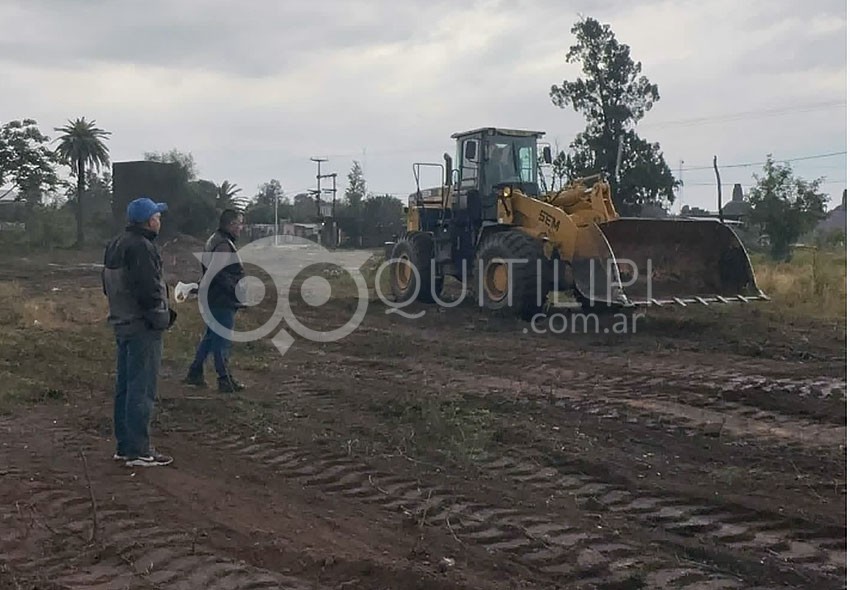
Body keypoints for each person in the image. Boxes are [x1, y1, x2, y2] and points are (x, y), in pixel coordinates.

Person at [102, 196, 177, 468]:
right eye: (157, 215)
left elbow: (108, 286)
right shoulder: (142, 247)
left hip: (122, 322)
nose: (160, 219)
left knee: (125, 386)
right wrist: (162, 317)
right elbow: (149, 290)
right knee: (141, 388)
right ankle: (138, 450)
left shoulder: (115, 243)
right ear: (149, 220)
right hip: (142, 325)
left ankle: (125, 446)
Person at [184, 209, 247, 393]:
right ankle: (224, 379)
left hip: (214, 297)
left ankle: (195, 372)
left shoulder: (216, 239)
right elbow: (216, 273)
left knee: (211, 337)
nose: (241, 228)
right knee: (222, 340)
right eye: (239, 223)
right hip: (221, 300)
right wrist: (235, 290)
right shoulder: (223, 245)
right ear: (231, 224)